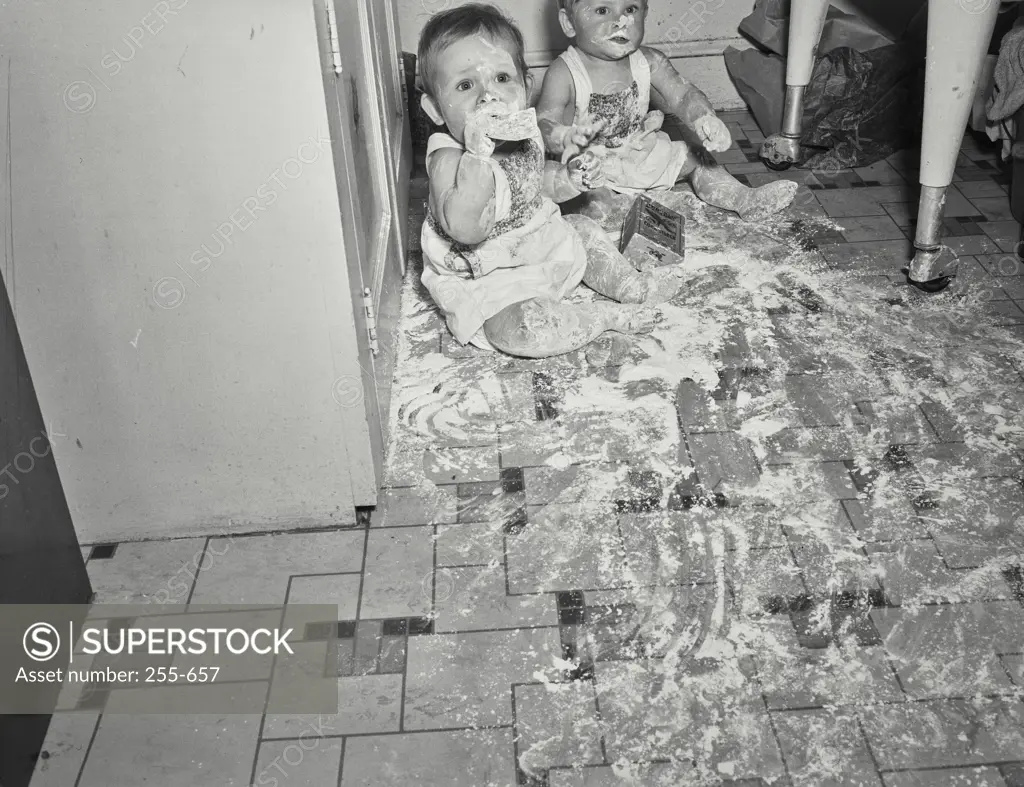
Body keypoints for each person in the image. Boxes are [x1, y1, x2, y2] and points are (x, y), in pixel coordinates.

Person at [417, 3, 686, 357]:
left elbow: (534, 185)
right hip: (488, 277)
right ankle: (598, 316)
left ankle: (632, 285)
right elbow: (467, 229)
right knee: (521, 332)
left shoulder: (522, 135)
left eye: (501, 78)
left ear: (525, 88)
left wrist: (568, 179)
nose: (488, 95)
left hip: (537, 244)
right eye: (465, 85)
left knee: (583, 230)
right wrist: (478, 157)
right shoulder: (446, 157)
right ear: (436, 109)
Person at [537, 0, 798, 232]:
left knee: (697, 157)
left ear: (645, 13)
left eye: (630, 9)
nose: (620, 21)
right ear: (569, 23)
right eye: (602, 10)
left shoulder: (649, 61)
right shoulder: (564, 73)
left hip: (640, 152)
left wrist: (704, 118)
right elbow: (544, 123)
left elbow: (683, 95)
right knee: (594, 204)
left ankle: (742, 198)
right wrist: (563, 135)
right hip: (590, 166)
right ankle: (644, 210)